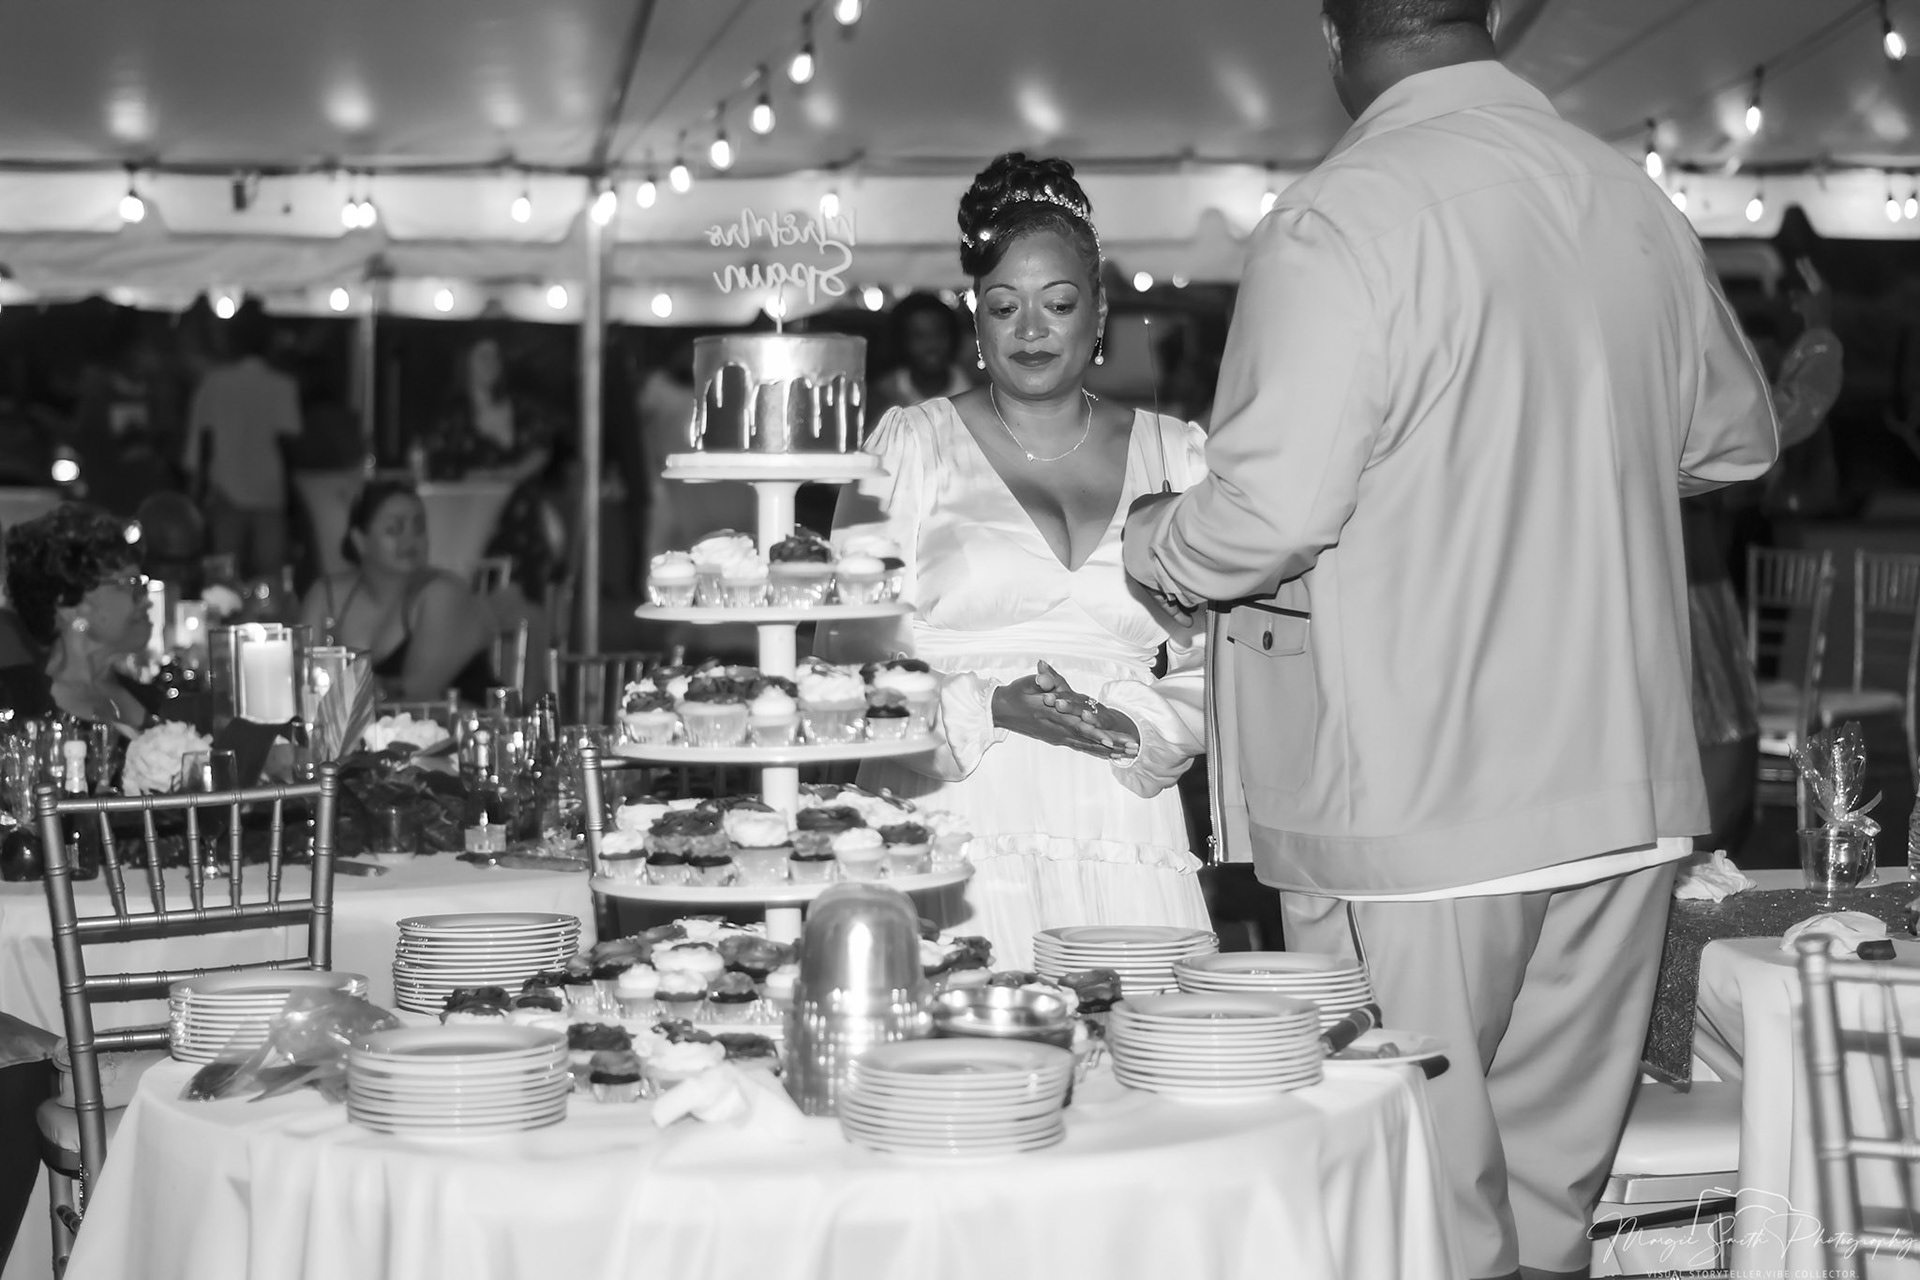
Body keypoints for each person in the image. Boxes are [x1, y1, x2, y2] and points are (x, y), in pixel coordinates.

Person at [1119, 5, 1778, 1277]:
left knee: (1411, 1201)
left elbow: (1271, 511)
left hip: (1420, 798)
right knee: (1547, 1206)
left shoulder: (1337, 217)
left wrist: (1156, 541)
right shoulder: (1629, 199)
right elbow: (1736, 439)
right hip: (1624, 779)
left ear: (1334, 35)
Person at [820, 153, 1211, 970]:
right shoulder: (909, 446)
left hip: (1121, 826)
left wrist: (1139, 727)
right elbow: (845, 666)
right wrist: (989, 707)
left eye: (1058, 304)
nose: (1031, 330)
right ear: (976, 322)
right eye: (1004, 307)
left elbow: (1225, 659)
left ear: (1099, 314)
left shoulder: (1178, 455)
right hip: (952, 818)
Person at [299, 481, 495, 705]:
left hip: (460, 723)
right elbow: (303, 679)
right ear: (360, 541)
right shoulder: (326, 596)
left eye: (419, 528)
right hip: (363, 726)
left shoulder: (442, 593)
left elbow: (416, 693)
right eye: (394, 529)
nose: (410, 540)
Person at [423, 336, 564, 597]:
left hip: (523, 521)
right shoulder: (454, 415)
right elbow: (439, 469)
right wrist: (484, 478)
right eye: (483, 357)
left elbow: (543, 448)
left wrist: (512, 474)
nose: (491, 364)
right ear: (466, 362)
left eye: (496, 357)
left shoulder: (521, 408)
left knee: (525, 596)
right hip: (478, 526)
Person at [0, 504, 155, 729]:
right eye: (129, 583)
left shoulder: (153, 700)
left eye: (142, 584)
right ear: (69, 607)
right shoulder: (15, 703)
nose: (146, 600)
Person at [183, 303, 302, 579]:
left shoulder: (214, 382)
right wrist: (294, 503)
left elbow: (202, 444)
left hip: (224, 492)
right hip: (269, 493)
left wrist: (197, 495)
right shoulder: (281, 385)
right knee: (269, 576)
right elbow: (289, 446)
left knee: (223, 576)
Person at [870, 292, 974, 415]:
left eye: (939, 333)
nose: (931, 344)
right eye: (919, 336)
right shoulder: (884, 394)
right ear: (902, 341)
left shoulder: (975, 387)